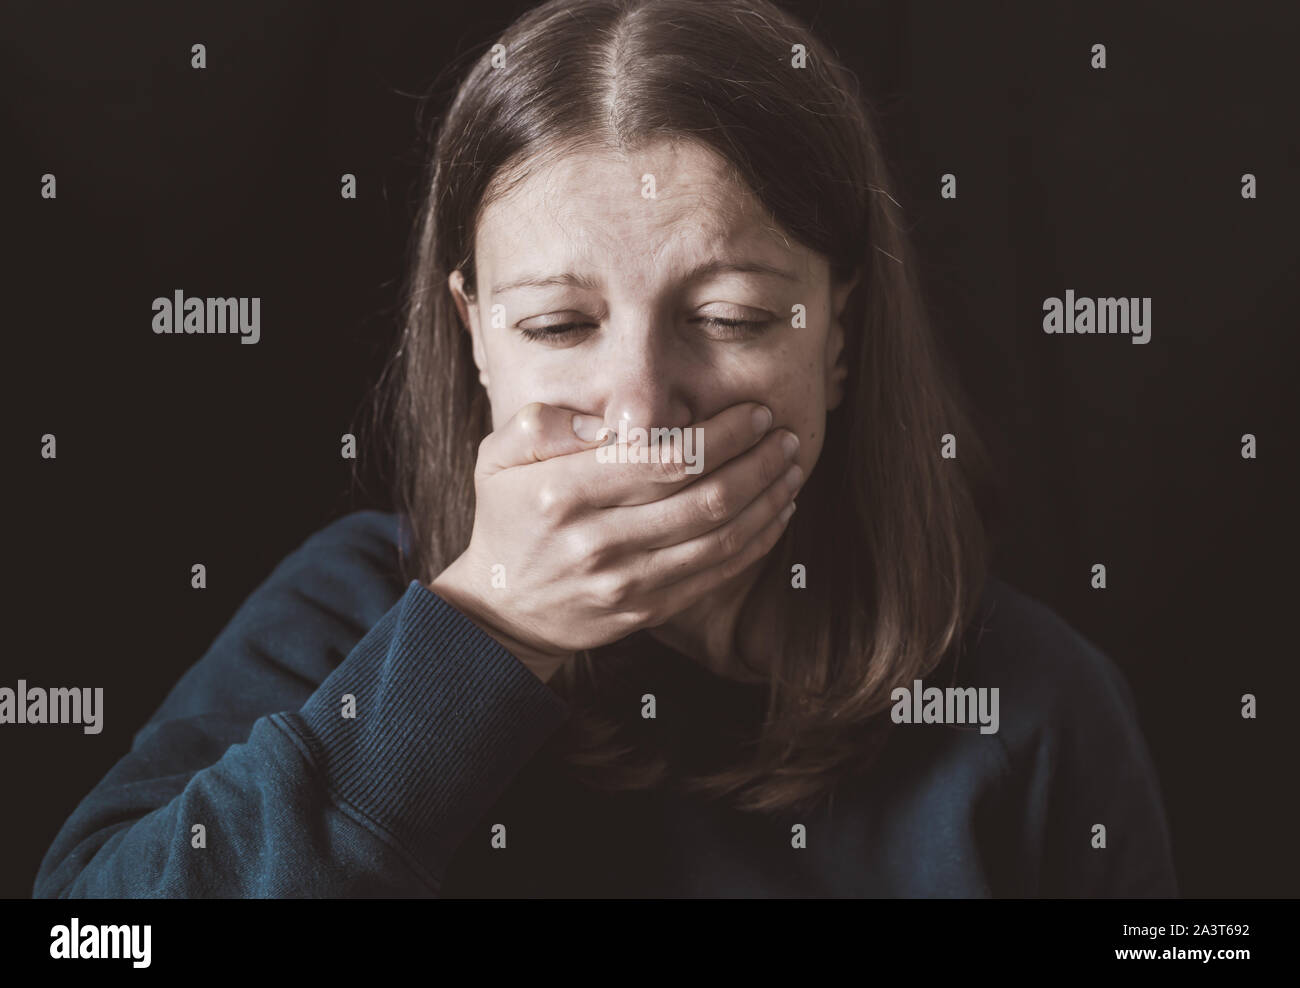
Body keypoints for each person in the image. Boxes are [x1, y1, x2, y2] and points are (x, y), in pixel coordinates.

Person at [33, 0, 1177, 898]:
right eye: (558, 325)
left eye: (727, 318)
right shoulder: (348, 611)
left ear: (840, 341)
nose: (639, 410)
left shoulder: (1033, 708)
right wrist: (481, 635)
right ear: (477, 337)